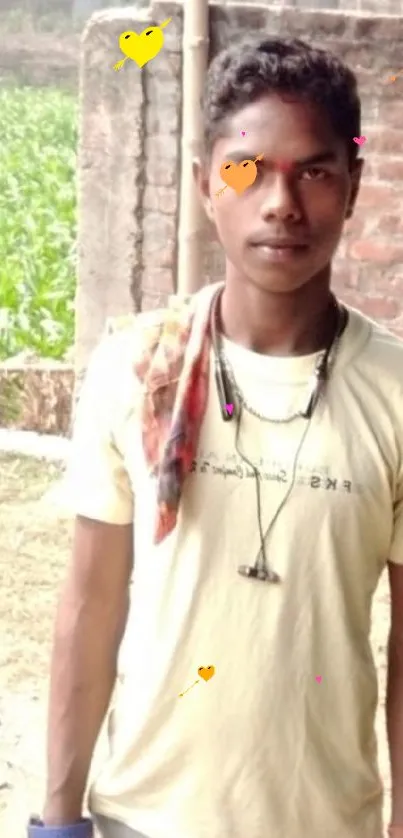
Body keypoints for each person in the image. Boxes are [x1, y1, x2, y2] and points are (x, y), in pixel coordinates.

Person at [28, 35, 403, 838]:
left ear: (352, 184)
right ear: (205, 185)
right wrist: (57, 818)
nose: (280, 202)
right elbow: (90, 607)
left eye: (312, 170)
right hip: (141, 818)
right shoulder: (138, 369)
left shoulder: (395, 395)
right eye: (246, 169)